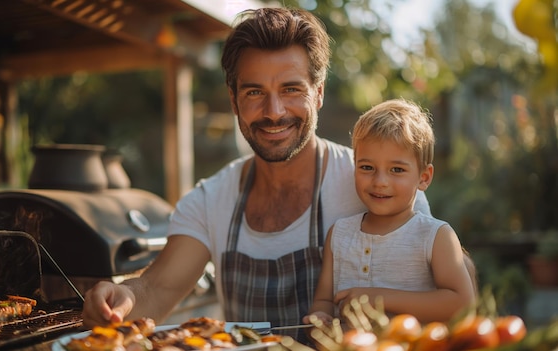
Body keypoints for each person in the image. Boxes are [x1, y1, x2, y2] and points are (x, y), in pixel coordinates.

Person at [81, 7, 441, 338]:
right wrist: (123, 296)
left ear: (318, 93)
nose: (274, 111)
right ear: (234, 99)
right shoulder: (211, 200)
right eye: (255, 92)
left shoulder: (379, 187)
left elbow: (437, 305)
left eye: (291, 89)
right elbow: (157, 289)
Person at [305, 99, 476, 325]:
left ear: (424, 177)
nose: (380, 181)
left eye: (397, 170)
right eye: (367, 168)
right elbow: (324, 301)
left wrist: (379, 298)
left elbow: (462, 305)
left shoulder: (435, 236)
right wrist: (319, 318)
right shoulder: (339, 235)